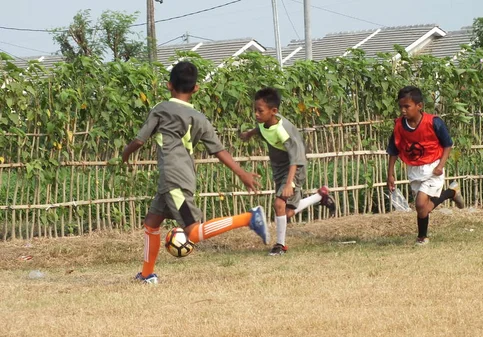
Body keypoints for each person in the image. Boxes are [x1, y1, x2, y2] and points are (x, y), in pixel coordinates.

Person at [122, 61, 269, 284]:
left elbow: (140, 140)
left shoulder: (160, 109)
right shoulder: (200, 118)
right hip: (176, 179)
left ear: (168, 85)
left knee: (192, 233)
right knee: (152, 222)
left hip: (174, 179)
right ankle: (146, 275)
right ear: (196, 89)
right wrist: (241, 172)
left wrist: (124, 154)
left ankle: (248, 218)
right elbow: (219, 150)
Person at [240, 87, 336, 256]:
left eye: (260, 111)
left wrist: (288, 183)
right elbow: (261, 129)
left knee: (279, 205)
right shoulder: (264, 123)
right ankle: (320, 196)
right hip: (279, 168)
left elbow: (296, 158)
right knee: (287, 211)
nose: (256, 114)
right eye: (255, 110)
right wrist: (249, 134)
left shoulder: (282, 129)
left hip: (294, 167)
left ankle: (280, 245)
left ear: (273, 111)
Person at [386, 86, 464, 246]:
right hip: (414, 169)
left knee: (420, 204)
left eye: (407, 106)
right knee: (423, 207)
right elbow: (393, 150)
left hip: (433, 166)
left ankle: (422, 238)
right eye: (400, 107)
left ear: (419, 106)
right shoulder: (399, 126)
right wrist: (390, 174)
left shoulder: (434, 122)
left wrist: (441, 165)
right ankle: (451, 192)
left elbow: (447, 144)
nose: (403, 111)